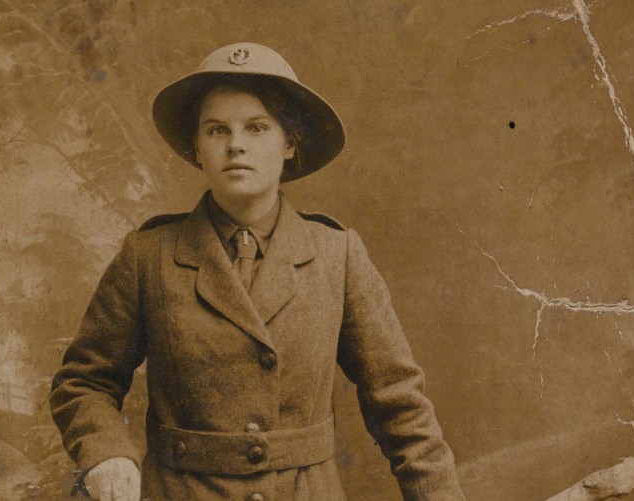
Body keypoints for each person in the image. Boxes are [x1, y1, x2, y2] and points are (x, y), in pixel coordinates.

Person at [50, 42, 465, 501]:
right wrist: (107, 452)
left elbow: (400, 405)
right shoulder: (149, 256)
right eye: (216, 130)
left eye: (257, 127)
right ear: (196, 147)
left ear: (289, 144)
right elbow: (83, 381)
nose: (236, 145)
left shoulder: (336, 255)